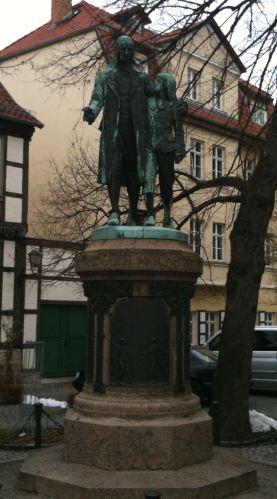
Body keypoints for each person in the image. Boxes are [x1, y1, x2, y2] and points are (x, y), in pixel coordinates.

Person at [83, 35, 153, 226]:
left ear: (132, 52)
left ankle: (132, 212)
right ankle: (114, 211)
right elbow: (97, 98)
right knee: (113, 168)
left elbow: (153, 97)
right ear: (117, 51)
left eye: (129, 49)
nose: (125, 53)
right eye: (122, 49)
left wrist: (172, 107)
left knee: (134, 171)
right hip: (113, 128)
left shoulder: (141, 77)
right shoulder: (106, 76)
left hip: (136, 129)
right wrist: (91, 112)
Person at [145, 72, 186, 228]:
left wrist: (179, 150)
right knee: (148, 180)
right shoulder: (149, 101)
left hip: (167, 148)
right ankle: (150, 214)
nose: (156, 83)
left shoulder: (173, 106)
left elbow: (179, 130)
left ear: (166, 85)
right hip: (149, 147)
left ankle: (167, 216)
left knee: (166, 184)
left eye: (159, 81)